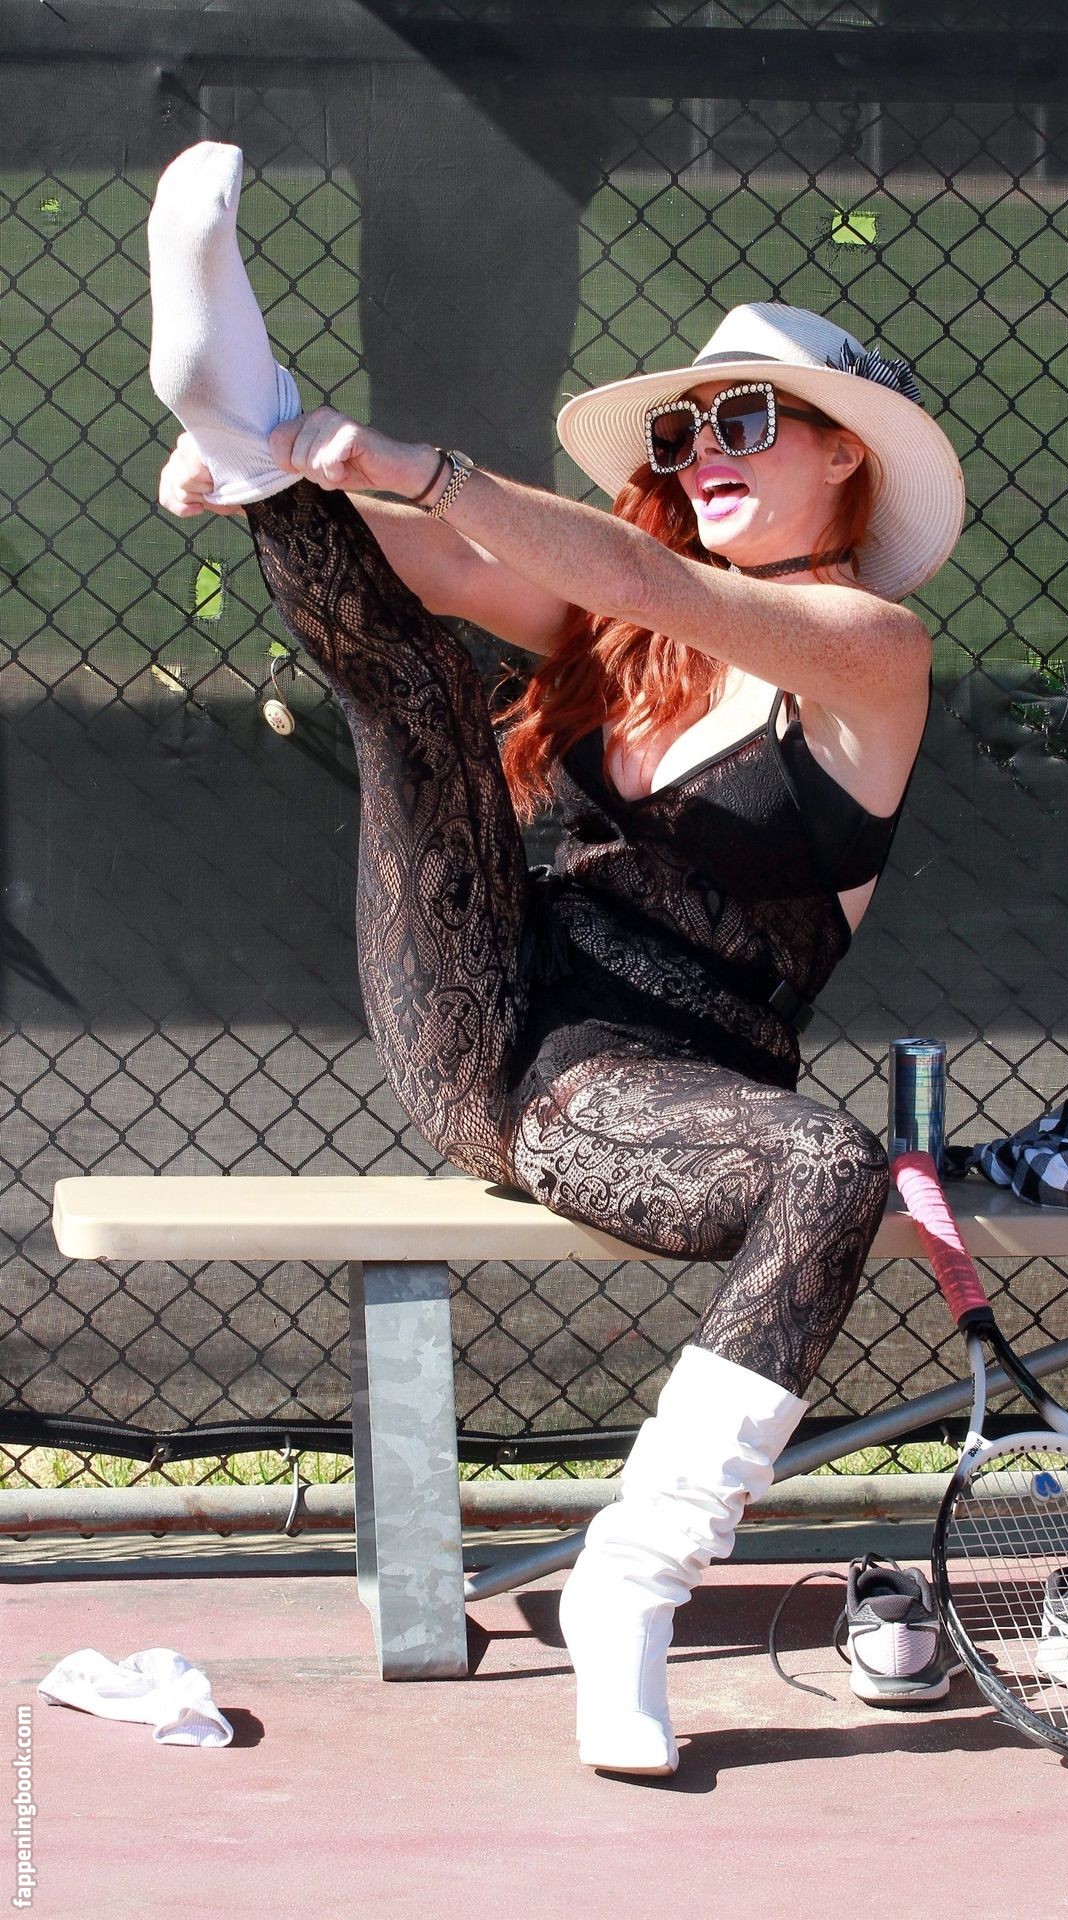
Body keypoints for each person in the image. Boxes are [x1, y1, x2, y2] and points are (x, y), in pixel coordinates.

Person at [148, 143, 966, 1778]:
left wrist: (418, 465)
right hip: (482, 1003)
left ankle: (633, 1582)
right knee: (420, 694)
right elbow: (448, 574)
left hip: (657, 1094)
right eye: (684, 430)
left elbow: (637, 567)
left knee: (829, 1161)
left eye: (747, 420)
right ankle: (235, 409)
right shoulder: (631, 636)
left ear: (846, 457)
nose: (704, 450)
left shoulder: (872, 653)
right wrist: (288, 480)